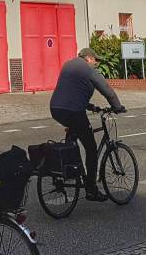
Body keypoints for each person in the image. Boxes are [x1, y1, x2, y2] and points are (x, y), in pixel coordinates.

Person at [49, 46, 126, 201]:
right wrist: (117, 107)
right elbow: (107, 90)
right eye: (95, 60)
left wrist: (91, 106)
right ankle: (91, 189)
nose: (96, 63)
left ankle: (72, 170)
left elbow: (72, 92)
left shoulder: (68, 65)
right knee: (91, 148)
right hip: (73, 111)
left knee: (72, 141)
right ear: (89, 58)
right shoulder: (88, 69)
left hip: (56, 109)